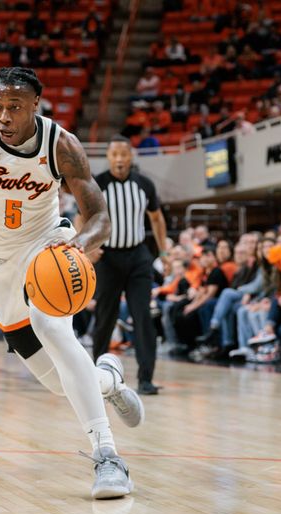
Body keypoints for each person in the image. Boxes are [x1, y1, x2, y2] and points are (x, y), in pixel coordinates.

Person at [0, 67, 141, 499]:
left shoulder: (62, 144)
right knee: (57, 382)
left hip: (47, 246)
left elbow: (100, 217)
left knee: (53, 326)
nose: (4, 116)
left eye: (14, 107)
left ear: (37, 104)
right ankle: (108, 378)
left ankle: (108, 456)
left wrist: (78, 247)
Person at [92, 135, 168, 395]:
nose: (119, 159)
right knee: (105, 317)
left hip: (138, 256)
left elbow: (157, 219)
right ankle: (96, 374)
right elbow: (83, 216)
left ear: (131, 156)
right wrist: (88, 247)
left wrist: (165, 251)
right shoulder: (98, 184)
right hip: (108, 258)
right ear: (109, 157)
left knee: (143, 317)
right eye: (114, 155)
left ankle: (146, 378)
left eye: (124, 154)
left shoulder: (144, 184)